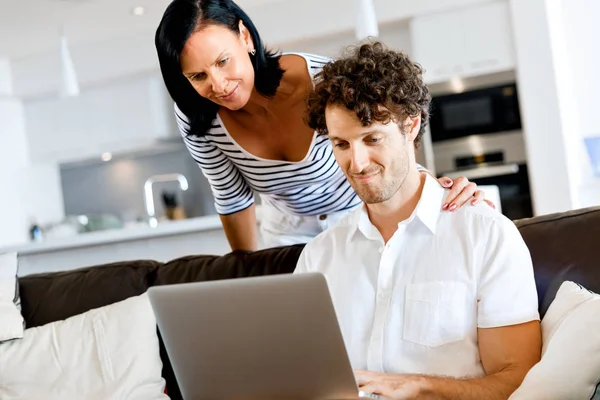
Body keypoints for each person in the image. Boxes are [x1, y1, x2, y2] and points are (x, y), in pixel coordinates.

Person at [295, 42, 542, 399]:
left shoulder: (485, 235)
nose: (357, 163)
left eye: (372, 139)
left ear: (410, 126)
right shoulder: (319, 256)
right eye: (341, 145)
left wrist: (418, 386)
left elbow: (519, 380)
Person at [155, 0, 491, 251]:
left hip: (362, 213)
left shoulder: (324, 81)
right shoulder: (195, 116)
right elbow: (232, 197)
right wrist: (248, 273)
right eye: (198, 76)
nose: (218, 84)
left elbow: (386, 143)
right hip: (287, 232)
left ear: (245, 36)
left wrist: (438, 196)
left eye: (223, 61)